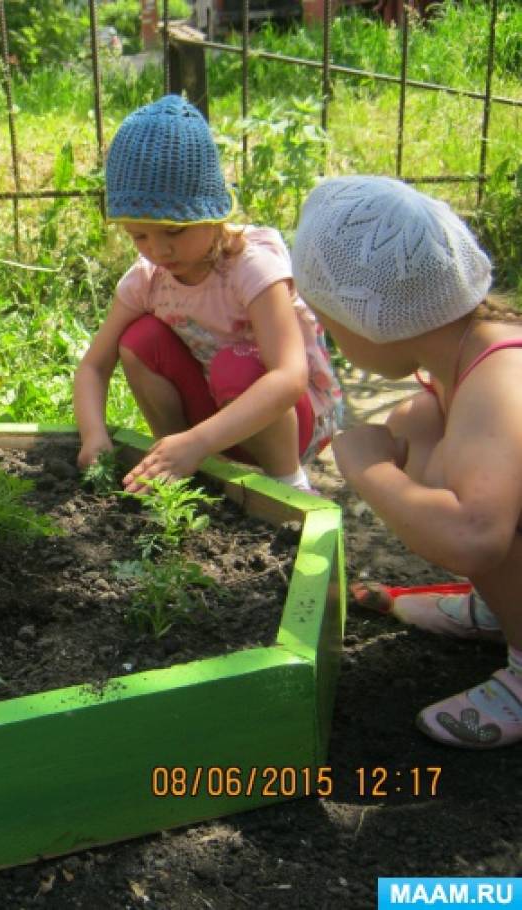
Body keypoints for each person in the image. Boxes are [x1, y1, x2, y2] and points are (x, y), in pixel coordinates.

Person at [293, 175, 522, 749]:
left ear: (373, 318)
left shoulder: (498, 384)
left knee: (454, 495)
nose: (329, 340)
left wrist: (369, 469)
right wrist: (401, 435)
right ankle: (503, 611)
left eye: (329, 325)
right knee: (426, 438)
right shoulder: (476, 350)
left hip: (482, 531)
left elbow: (474, 536)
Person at [74, 95, 341, 494]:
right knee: (139, 340)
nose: (158, 251)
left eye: (174, 232)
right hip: (212, 419)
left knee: (236, 365)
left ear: (211, 213)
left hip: (289, 421)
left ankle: (290, 486)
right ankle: (178, 466)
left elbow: (289, 377)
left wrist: (199, 441)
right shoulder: (149, 279)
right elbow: (93, 367)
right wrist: (93, 436)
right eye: (139, 236)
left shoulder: (250, 267)